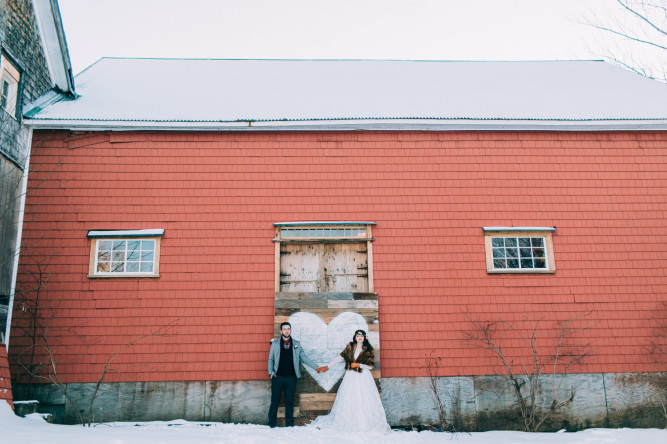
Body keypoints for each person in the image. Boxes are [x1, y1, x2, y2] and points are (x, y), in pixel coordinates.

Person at [311, 329, 391, 433]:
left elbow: (370, 366)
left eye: (361, 335)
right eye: (358, 335)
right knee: (350, 397)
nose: (359, 337)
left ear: (365, 337)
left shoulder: (368, 349)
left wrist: (359, 365)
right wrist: (328, 366)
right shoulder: (350, 347)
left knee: (364, 399)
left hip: (363, 377)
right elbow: (339, 358)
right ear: (355, 337)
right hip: (351, 376)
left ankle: (364, 423)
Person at [268, 321, 326, 427]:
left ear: (290, 330)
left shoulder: (296, 344)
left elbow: (304, 358)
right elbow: (270, 359)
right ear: (281, 331)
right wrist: (271, 372)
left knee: (289, 402)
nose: (286, 331)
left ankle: (289, 425)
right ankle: (271, 424)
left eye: (288, 329)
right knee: (275, 401)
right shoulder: (275, 344)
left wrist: (317, 367)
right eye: (284, 329)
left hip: (291, 378)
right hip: (278, 377)